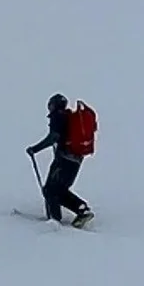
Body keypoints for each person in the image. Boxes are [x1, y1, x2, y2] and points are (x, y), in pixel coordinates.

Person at [29, 91, 95, 226]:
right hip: (76, 159)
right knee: (59, 189)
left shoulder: (58, 117)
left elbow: (54, 137)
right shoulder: (68, 117)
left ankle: (54, 221)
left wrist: (35, 149)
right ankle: (82, 209)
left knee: (50, 190)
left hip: (64, 160)